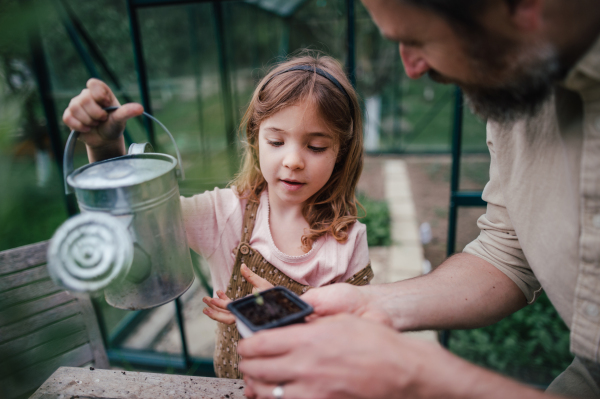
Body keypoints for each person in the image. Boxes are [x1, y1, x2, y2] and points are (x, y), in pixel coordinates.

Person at [236, 0, 600, 398]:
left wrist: (420, 376)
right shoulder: (518, 76)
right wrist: (367, 301)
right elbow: (508, 249)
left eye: (418, 39)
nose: (411, 68)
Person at [62, 53, 374, 379]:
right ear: (255, 139)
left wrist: (282, 313)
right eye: (277, 141)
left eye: (316, 147)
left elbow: (358, 342)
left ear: (341, 152)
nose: (293, 160)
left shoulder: (349, 242)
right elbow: (137, 221)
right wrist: (105, 149)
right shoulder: (225, 214)